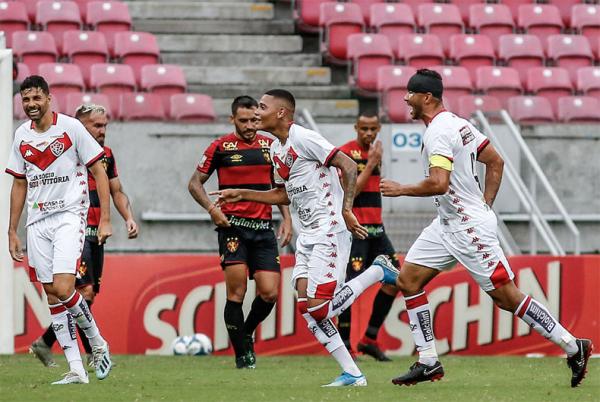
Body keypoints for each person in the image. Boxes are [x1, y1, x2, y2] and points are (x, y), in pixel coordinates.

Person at [380, 69, 593, 388]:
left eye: (410, 94)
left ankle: (573, 346)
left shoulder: (439, 132)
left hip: (467, 229)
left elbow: (439, 183)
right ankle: (428, 362)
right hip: (447, 224)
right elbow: (495, 161)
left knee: (507, 297)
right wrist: (485, 204)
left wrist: (402, 189)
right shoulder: (459, 124)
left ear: (426, 97)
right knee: (408, 281)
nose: (405, 99)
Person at [212, 89, 400, 387]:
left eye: (262, 107)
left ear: (281, 113)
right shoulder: (277, 150)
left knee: (318, 307)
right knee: (307, 308)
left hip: (330, 229)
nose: (256, 113)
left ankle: (379, 270)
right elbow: (282, 195)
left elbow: (347, 165)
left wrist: (347, 209)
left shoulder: (305, 138)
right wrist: (242, 193)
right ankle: (353, 373)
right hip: (308, 235)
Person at [6, 76, 113, 384]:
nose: (31, 105)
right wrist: (12, 229)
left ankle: (98, 343)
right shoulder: (22, 135)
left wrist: (105, 218)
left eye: (36, 98)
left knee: (66, 288)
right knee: (52, 295)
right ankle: (77, 370)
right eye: (26, 100)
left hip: (69, 215)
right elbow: (19, 182)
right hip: (36, 222)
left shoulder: (71, 127)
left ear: (49, 99)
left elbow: (98, 168)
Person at [30, 104, 139, 369]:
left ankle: (46, 342)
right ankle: (94, 351)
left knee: (87, 294)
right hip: (72, 228)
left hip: (96, 233)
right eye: (97, 126)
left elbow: (117, 190)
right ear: (81, 125)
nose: (103, 131)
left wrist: (128, 218)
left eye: (105, 126)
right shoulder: (64, 149)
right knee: (84, 291)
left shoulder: (107, 155)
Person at [188, 95, 293, 369]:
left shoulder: (271, 146)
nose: (250, 125)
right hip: (232, 228)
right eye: (244, 120)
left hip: (263, 229)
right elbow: (195, 184)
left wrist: (287, 220)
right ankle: (241, 355)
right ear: (232, 119)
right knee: (236, 293)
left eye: (254, 120)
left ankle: (245, 332)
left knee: (269, 293)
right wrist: (213, 210)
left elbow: (279, 188)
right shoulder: (220, 147)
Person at [338, 111, 401, 362]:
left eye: (373, 129)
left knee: (397, 280)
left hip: (377, 230)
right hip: (357, 231)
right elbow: (348, 191)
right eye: (363, 128)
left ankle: (369, 339)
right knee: (349, 287)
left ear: (378, 128)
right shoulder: (346, 153)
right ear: (356, 127)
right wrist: (372, 164)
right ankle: (344, 346)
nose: (368, 133)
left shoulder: (374, 152)